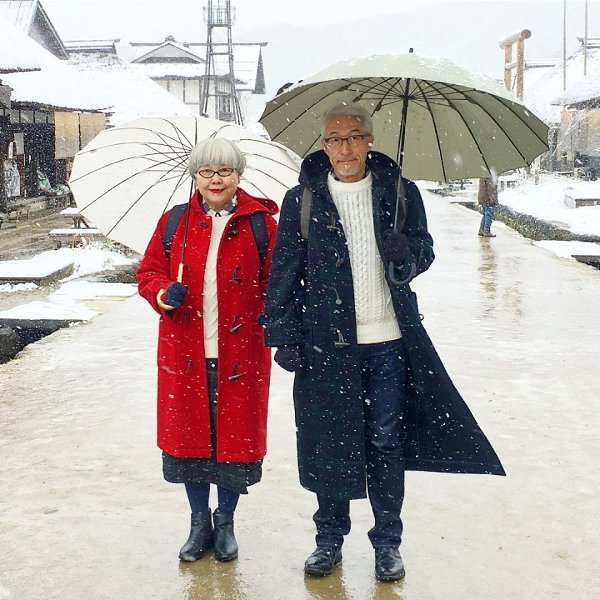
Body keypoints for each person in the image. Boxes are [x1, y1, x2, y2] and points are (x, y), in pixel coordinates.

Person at [261, 104, 505, 582]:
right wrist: (283, 335)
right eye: (335, 139)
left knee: (386, 443)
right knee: (330, 441)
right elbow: (284, 271)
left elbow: (424, 251)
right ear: (324, 145)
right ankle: (329, 539)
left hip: (388, 343)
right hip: (326, 345)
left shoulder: (400, 192)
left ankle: (387, 543)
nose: (345, 148)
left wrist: (406, 252)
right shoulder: (302, 200)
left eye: (354, 136)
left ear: (370, 140)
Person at [136, 138, 278, 563]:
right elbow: (148, 272)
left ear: (239, 175)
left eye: (225, 171)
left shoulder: (261, 226)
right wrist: (163, 293)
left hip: (241, 355)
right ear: (195, 177)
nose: (216, 180)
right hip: (185, 354)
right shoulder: (173, 224)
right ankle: (199, 523)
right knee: (190, 442)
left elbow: (277, 284)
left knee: (232, 443)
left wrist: (266, 317)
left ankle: (226, 523)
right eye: (207, 172)